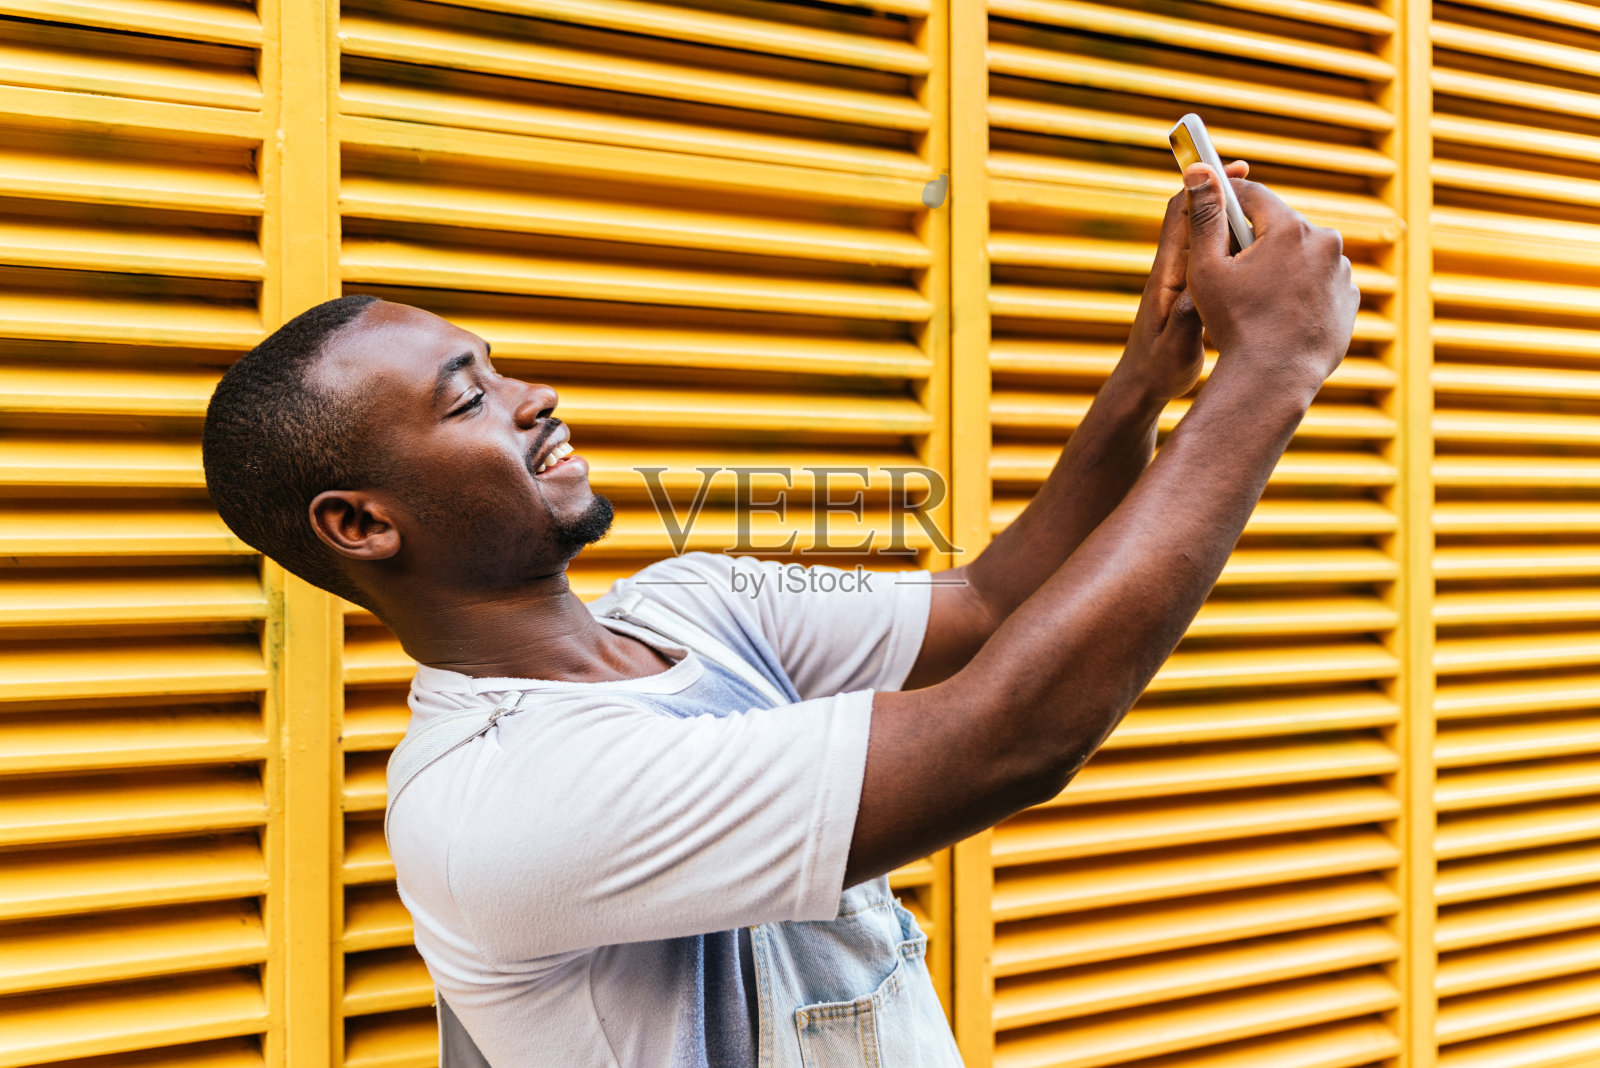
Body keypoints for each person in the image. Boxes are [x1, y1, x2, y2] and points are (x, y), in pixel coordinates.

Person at [201, 163, 1357, 1067]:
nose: (532, 396)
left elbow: (994, 601)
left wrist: (1154, 370)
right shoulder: (499, 802)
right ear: (362, 525)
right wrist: (1270, 372)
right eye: (468, 401)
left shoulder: (692, 605)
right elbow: (1010, 735)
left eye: (497, 368)